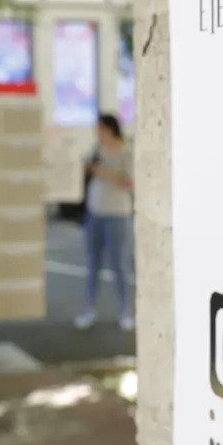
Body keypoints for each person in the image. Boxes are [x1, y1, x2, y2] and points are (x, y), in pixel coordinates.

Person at [75, 113, 135, 332]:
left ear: (111, 130)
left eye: (101, 129)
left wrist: (102, 172)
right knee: (93, 264)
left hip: (117, 214)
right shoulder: (95, 150)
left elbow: (130, 182)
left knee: (119, 265)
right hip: (94, 213)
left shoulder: (126, 152)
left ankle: (126, 311)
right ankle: (89, 309)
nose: (98, 134)